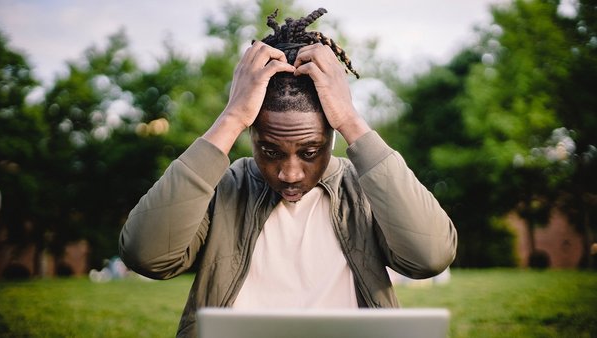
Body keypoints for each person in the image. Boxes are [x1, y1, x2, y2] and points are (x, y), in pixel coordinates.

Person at [119, 8, 457, 337]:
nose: (290, 173)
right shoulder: (222, 187)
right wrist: (231, 117)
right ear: (251, 135)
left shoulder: (367, 189)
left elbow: (430, 257)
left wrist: (352, 120)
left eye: (309, 152)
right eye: (270, 151)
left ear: (332, 136)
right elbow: (147, 256)